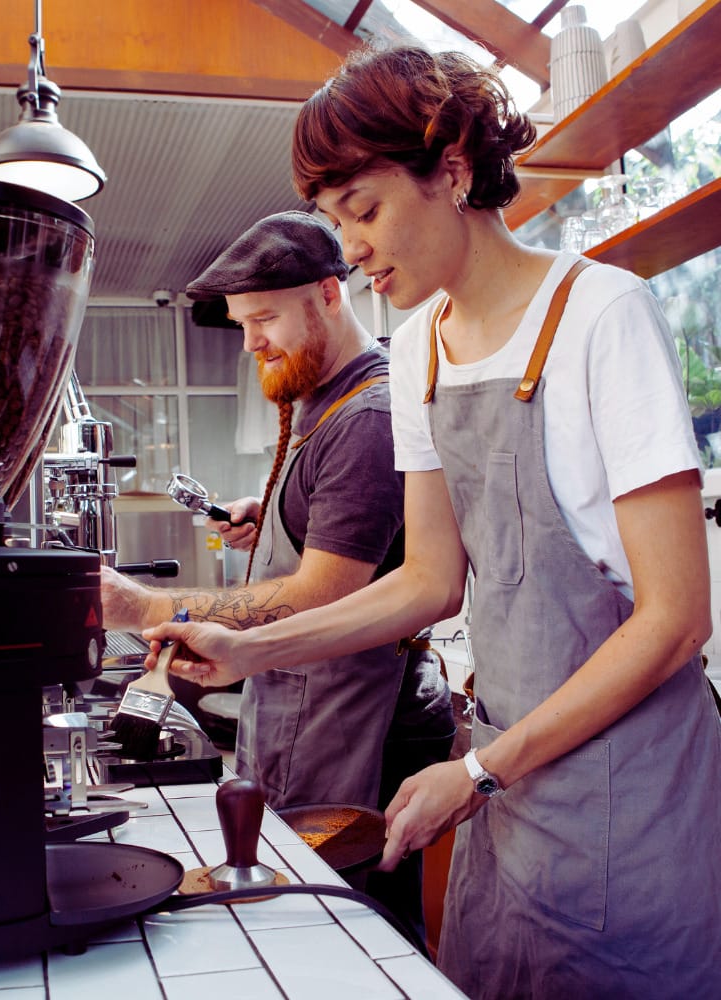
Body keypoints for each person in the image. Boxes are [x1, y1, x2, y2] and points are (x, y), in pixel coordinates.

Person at [141, 44, 721, 1000]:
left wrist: (484, 770)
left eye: (364, 212)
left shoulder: (601, 315)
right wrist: (253, 651)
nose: (353, 247)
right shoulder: (417, 355)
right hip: (510, 777)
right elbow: (426, 584)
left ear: (451, 171)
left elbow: (676, 618)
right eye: (336, 222)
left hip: (632, 783)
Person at [101, 210, 454, 946]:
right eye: (240, 323)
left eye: (263, 318)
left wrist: (147, 604)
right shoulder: (325, 399)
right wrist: (274, 519)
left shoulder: (368, 415)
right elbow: (348, 540)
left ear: (329, 293)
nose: (252, 340)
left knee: (359, 934)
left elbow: (324, 591)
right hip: (306, 708)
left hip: (362, 721)